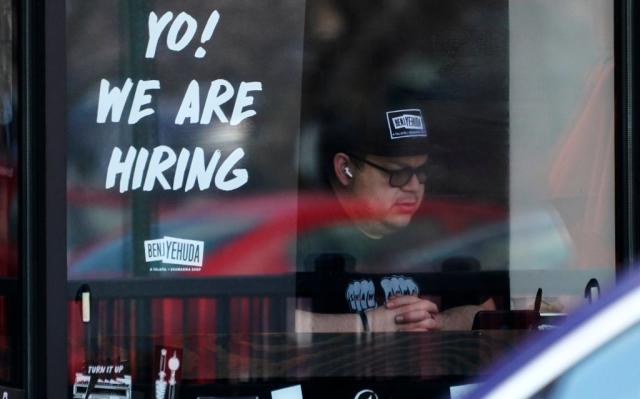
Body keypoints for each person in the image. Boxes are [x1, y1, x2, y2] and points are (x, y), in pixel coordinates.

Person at [295, 106, 496, 332]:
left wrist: (434, 321)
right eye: (397, 173)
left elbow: (490, 313)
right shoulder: (302, 240)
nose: (414, 186)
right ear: (346, 169)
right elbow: (261, 319)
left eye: (422, 172)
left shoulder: (440, 239)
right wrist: (366, 324)